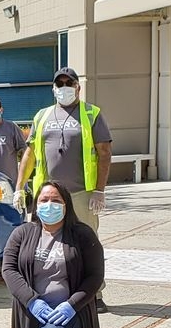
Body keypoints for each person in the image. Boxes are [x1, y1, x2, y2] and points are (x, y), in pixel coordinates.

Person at [14, 66, 113, 312]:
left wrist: (99, 190)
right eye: (60, 84)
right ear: (53, 88)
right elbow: (30, 153)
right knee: (43, 243)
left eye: (70, 83)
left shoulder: (91, 114)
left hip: (81, 193)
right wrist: (19, 187)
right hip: (48, 196)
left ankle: (94, 295)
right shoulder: (42, 116)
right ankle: (46, 288)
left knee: (87, 241)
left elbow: (104, 153)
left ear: (78, 87)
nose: (65, 87)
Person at [1, 180, 107, 328]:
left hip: (68, 311)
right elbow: (8, 270)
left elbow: (95, 276)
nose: (50, 205)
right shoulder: (22, 233)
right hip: (34, 310)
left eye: (56, 200)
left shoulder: (83, 235)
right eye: (44, 200)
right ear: (36, 205)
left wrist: (71, 305)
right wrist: (31, 302)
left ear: (67, 205)